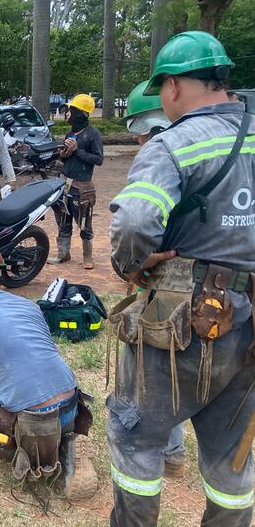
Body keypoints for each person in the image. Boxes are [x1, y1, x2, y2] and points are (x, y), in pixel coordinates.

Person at [109, 31, 255, 526]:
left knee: (136, 438)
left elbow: (133, 222)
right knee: (232, 457)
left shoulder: (174, 144)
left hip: (180, 323)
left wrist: (132, 266)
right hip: (248, 326)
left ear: (170, 87)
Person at [0, 241, 97, 500]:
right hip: (71, 406)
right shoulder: (30, 306)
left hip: (31, 421)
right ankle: (67, 445)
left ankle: (12, 440)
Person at [122, 79, 186, 477]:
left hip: (168, 281)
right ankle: (176, 450)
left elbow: (135, 224)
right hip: (226, 290)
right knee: (186, 369)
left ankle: (156, 450)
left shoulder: (161, 154)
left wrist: (132, 265)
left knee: (151, 368)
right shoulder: (235, 144)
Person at [48, 94, 103, 269]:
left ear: (79, 113)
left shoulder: (93, 134)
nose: (66, 114)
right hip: (65, 184)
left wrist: (77, 150)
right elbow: (65, 158)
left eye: (70, 111)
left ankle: (88, 256)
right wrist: (63, 155)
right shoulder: (70, 134)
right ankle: (63, 253)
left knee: (84, 222)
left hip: (82, 187)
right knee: (63, 219)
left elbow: (98, 159)